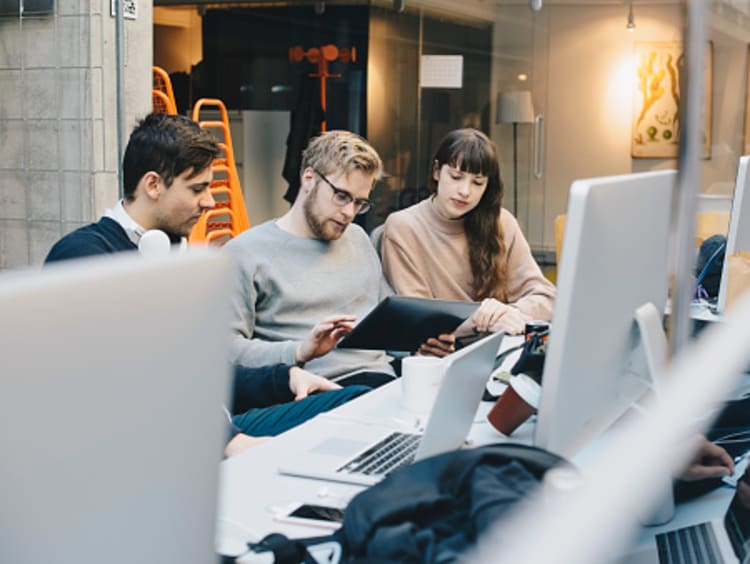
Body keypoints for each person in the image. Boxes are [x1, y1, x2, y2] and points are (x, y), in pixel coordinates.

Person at [43, 113, 369, 455]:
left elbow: (197, 374)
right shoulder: (84, 256)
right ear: (153, 185)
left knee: (357, 403)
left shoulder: (172, 253)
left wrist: (285, 378)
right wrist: (229, 442)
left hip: (211, 425)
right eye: (198, 188)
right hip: (157, 443)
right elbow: (127, 384)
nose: (210, 202)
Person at [226, 130, 454, 387]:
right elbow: (224, 351)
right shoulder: (245, 253)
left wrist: (417, 349)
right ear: (309, 178)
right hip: (314, 390)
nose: (349, 213)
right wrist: (299, 351)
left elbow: (384, 322)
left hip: (382, 381)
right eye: (342, 196)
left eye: (359, 203)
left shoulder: (357, 238)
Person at [380, 128, 556, 338]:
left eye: (478, 182)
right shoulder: (403, 227)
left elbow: (547, 297)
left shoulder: (502, 222)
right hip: (440, 356)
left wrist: (509, 313)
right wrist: (480, 321)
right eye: (456, 177)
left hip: (499, 346)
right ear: (437, 171)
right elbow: (420, 318)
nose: (465, 191)